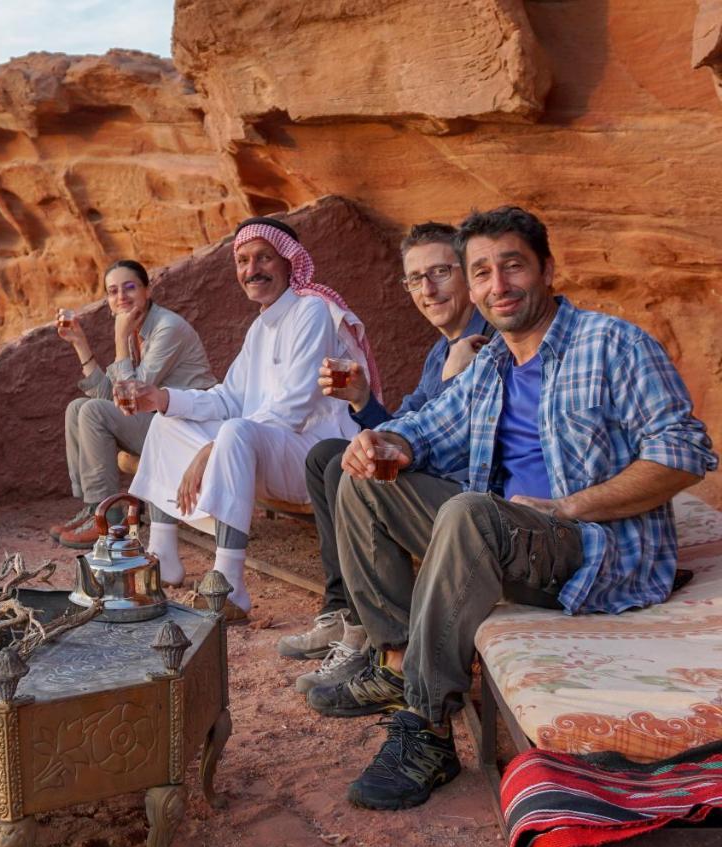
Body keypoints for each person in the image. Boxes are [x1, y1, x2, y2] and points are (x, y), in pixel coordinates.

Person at [306, 206, 716, 811]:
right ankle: (397, 662)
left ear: (547, 269)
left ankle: (426, 728)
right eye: (482, 273)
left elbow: (684, 454)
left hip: (595, 549)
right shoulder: (491, 362)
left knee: (471, 513)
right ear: (471, 287)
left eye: (513, 266)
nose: (498, 286)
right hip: (509, 533)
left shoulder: (614, 344)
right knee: (360, 478)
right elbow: (428, 425)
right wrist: (384, 442)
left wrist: (573, 506)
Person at [278, 222, 495, 694]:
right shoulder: (443, 350)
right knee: (326, 458)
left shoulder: (488, 341)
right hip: (441, 486)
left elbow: (460, 442)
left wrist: (458, 377)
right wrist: (361, 400)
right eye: (415, 279)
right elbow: (411, 423)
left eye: (440, 272)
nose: (427, 289)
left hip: (474, 502)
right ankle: (345, 614)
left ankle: (389, 651)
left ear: (469, 275)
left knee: (350, 472)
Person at [125, 216, 375, 620]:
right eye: (242, 260)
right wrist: (163, 397)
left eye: (264, 258)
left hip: (314, 455)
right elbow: (229, 397)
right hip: (265, 448)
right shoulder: (261, 327)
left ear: (290, 264)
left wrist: (212, 447)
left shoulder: (311, 312)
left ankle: (229, 586)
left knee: (234, 433)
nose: (251, 269)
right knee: (166, 421)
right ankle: (163, 555)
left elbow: (293, 407)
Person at [52, 259, 215, 548]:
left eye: (129, 288)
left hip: (187, 427)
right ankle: (94, 509)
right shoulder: (135, 328)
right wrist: (80, 344)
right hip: (157, 422)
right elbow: (112, 400)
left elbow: (133, 395)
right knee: (77, 408)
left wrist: (119, 338)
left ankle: (110, 514)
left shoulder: (167, 327)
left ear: (147, 291)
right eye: (113, 291)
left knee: (90, 411)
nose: (121, 297)